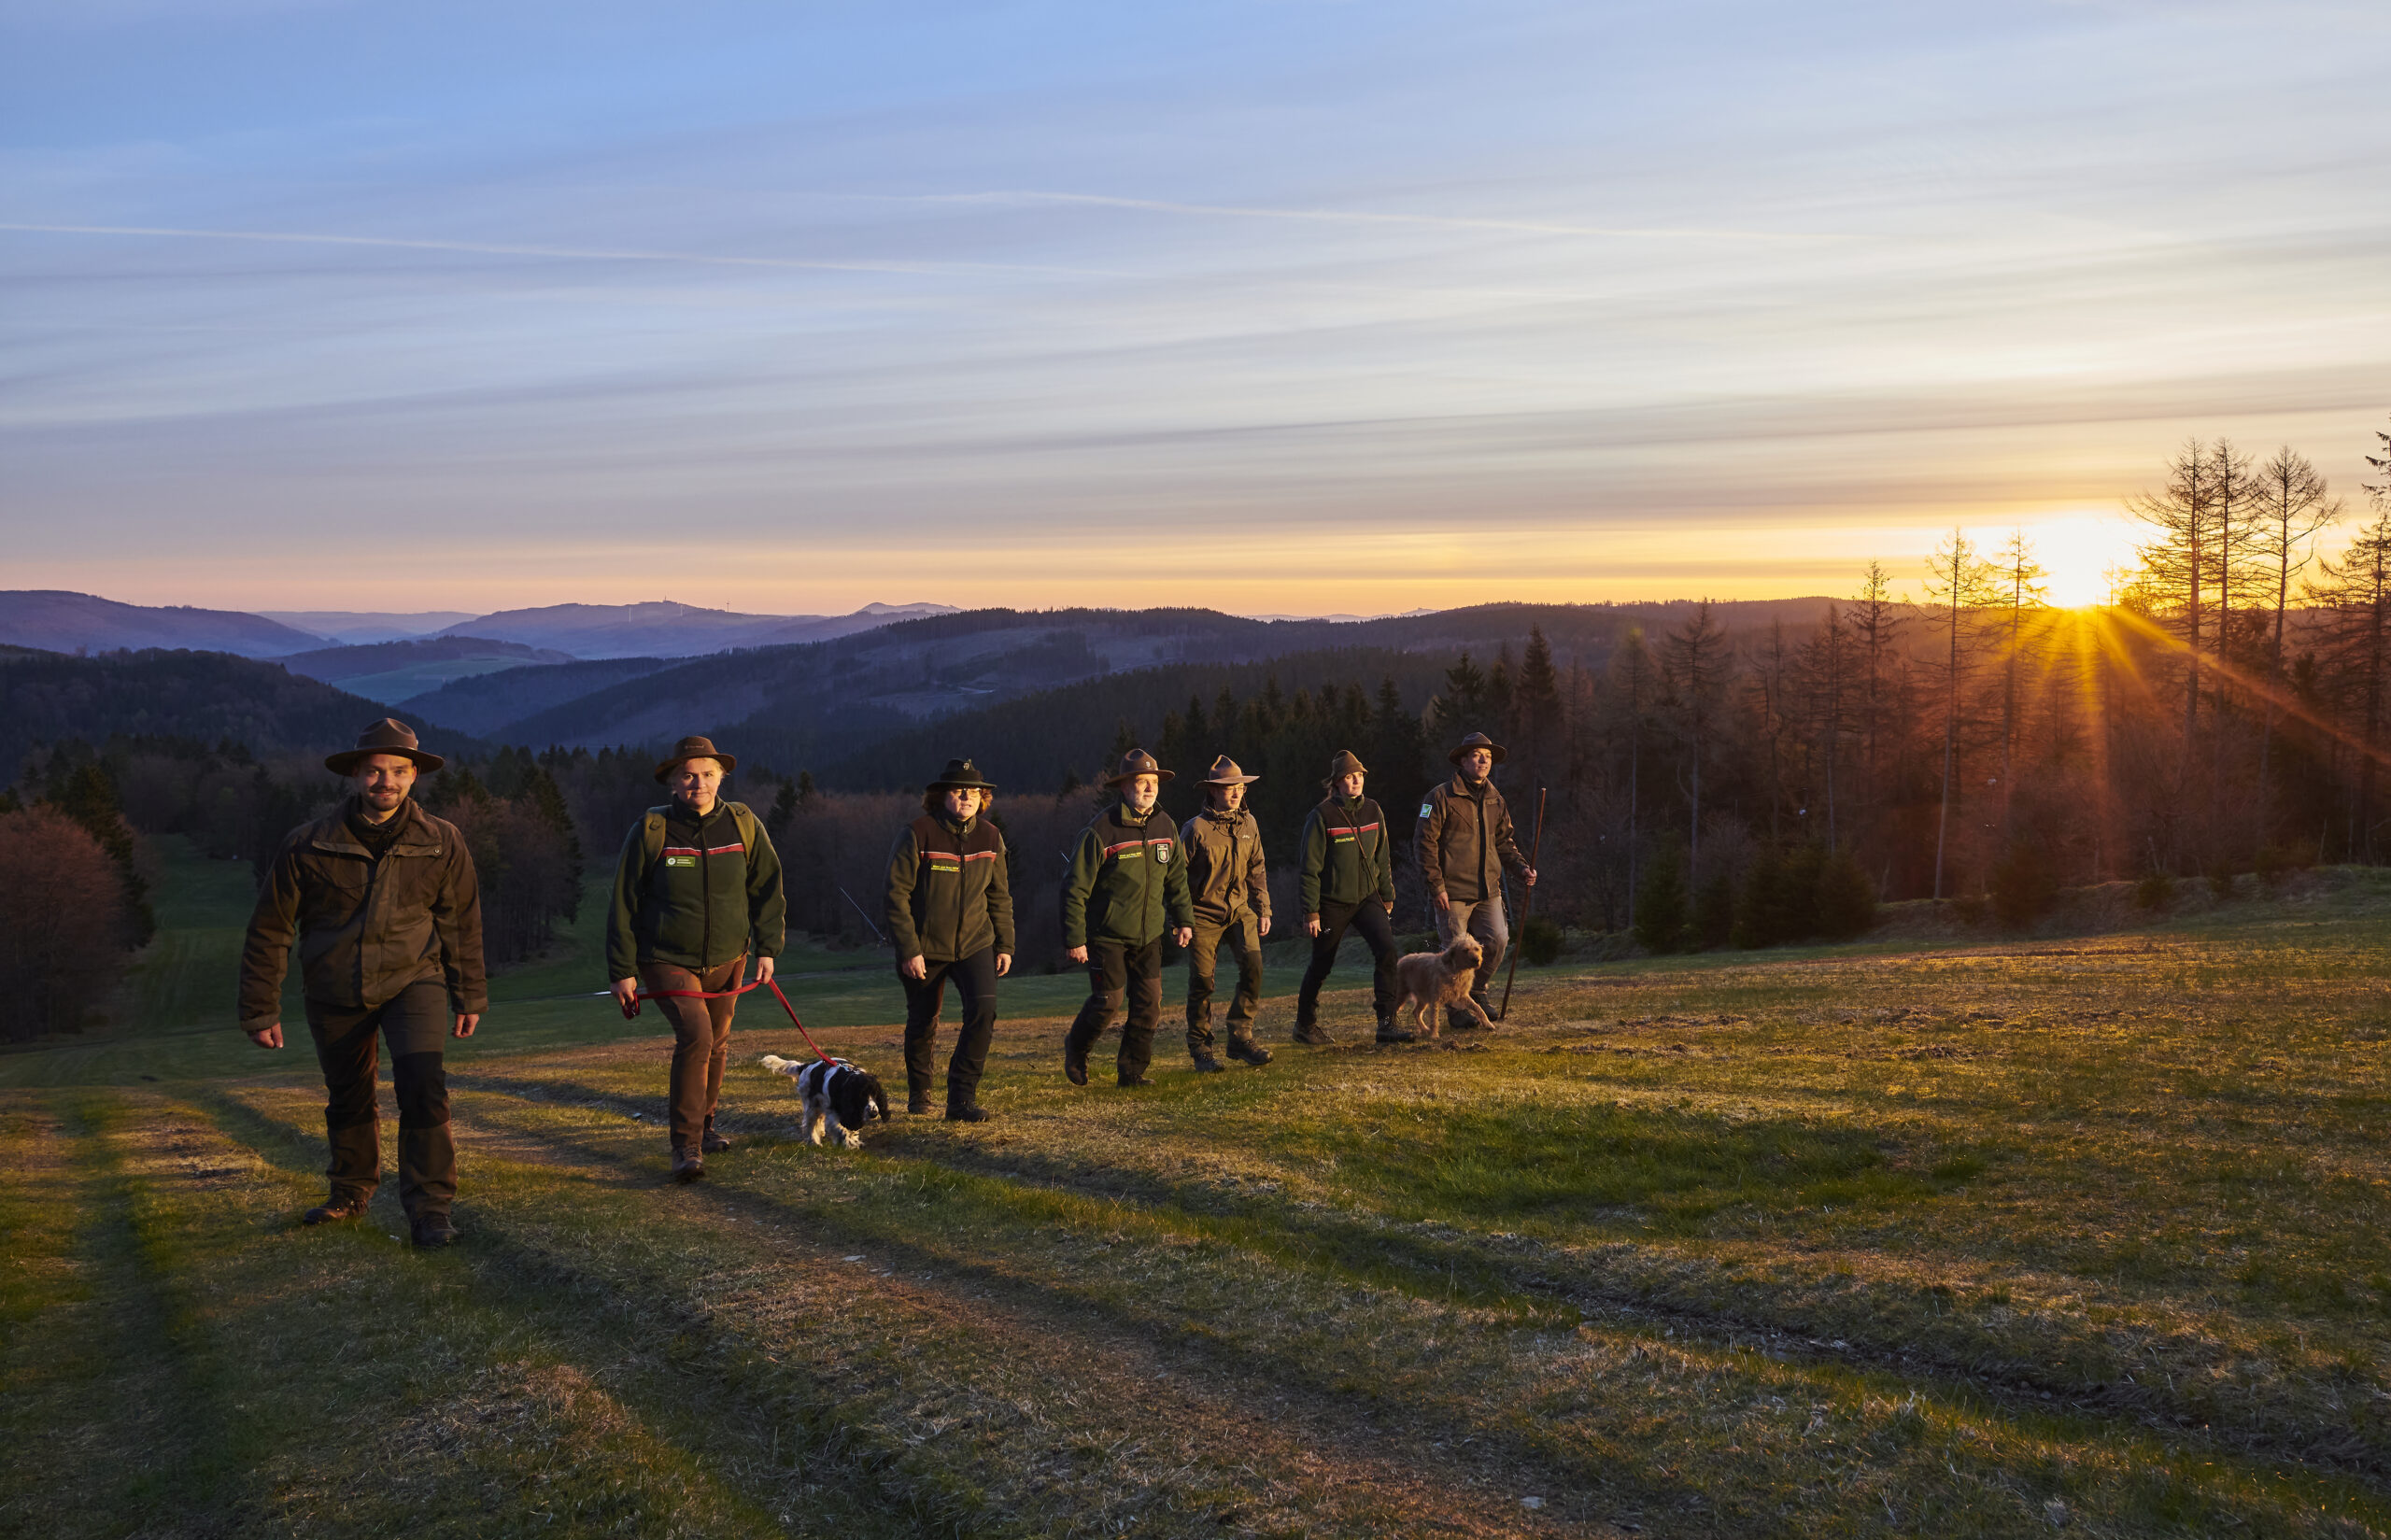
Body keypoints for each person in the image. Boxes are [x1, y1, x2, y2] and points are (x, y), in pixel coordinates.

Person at [238, 717, 486, 1248]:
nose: (386, 782)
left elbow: (461, 923)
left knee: (423, 1087)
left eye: (398, 771)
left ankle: (431, 1210)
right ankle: (349, 1192)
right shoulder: (306, 844)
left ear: (415, 775)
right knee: (348, 1095)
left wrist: (469, 994)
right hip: (334, 986)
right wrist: (261, 1007)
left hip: (414, 979)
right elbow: (271, 928)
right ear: (355, 774)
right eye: (375, 771)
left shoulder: (442, 841)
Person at [606, 735, 787, 1182]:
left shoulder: (744, 824)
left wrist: (768, 947)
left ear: (721, 777)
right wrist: (622, 971)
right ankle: (685, 1146)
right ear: (672, 782)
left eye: (707, 774)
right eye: (688, 775)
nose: (698, 783)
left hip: (731, 956)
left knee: (718, 1042)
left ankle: (705, 1128)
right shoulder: (652, 831)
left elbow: (768, 887)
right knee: (697, 1037)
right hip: (666, 957)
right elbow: (624, 903)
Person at [884, 758, 1014, 1121]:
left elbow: (1000, 895)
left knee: (984, 1010)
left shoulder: (991, 837)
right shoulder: (917, 833)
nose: (967, 797)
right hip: (925, 948)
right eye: (959, 790)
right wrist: (909, 949)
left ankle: (961, 1100)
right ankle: (920, 1093)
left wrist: (1005, 944)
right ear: (941, 795)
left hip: (976, 942)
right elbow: (896, 895)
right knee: (924, 1021)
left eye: (974, 791)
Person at [1060, 749, 1194, 1087]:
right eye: (1140, 782)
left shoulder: (1166, 825)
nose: (1149, 788)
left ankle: (1132, 1072)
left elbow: (1176, 879)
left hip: (1150, 935)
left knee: (1149, 1005)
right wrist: (1075, 938)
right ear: (1124, 787)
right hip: (1107, 935)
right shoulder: (1101, 830)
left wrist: (1183, 920)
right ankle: (1077, 1049)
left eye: (1153, 782)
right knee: (1108, 1002)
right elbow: (1074, 888)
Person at [1416, 730, 1537, 1031]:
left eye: (1488, 756)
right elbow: (1424, 842)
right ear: (1463, 760)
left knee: (1497, 940)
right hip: (1452, 892)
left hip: (1488, 889)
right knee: (1452, 953)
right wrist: (1436, 886)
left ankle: (1476, 993)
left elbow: (1505, 842)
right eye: (1477, 755)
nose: (1484, 761)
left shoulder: (1496, 799)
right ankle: (1457, 1013)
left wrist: (1522, 869)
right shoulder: (1440, 796)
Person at [1294, 750, 1408, 1044]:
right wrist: (1311, 912)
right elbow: (1309, 868)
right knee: (1322, 963)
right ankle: (1304, 1026)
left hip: (1368, 898)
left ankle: (1386, 1023)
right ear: (1337, 782)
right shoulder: (1321, 816)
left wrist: (1387, 894)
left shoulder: (1374, 810)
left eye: (1359, 775)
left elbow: (1382, 857)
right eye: (1349, 776)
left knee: (1387, 951)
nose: (1356, 780)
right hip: (1331, 902)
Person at [1180, 756, 1274, 1072]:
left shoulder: (1250, 824)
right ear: (1213, 791)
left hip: (1240, 910)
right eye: (1228, 788)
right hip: (1202, 915)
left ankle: (1240, 1038)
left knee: (1254, 966)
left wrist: (1264, 909)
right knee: (1202, 983)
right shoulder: (1195, 829)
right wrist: (1179, 920)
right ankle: (1201, 1049)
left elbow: (1257, 869)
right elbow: (1176, 877)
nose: (1236, 793)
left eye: (1240, 788)